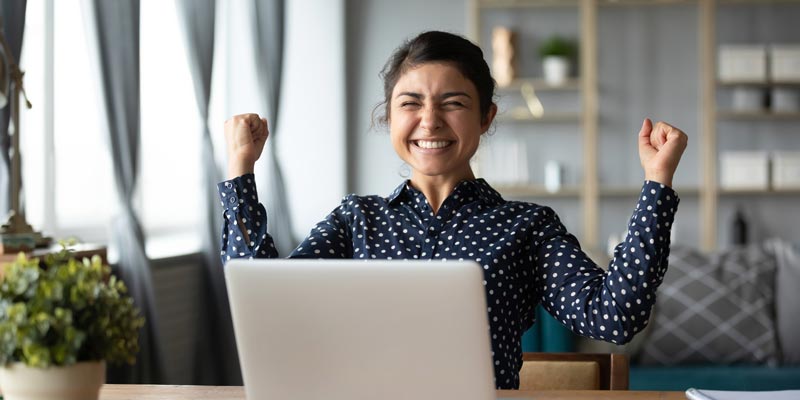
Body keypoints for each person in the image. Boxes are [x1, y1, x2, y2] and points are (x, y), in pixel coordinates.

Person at [218, 31, 687, 389]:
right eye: (411, 103)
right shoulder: (355, 220)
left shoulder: (528, 226)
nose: (430, 120)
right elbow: (268, 305)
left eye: (453, 103)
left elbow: (615, 316)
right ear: (390, 116)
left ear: (486, 117)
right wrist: (241, 170)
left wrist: (657, 183)